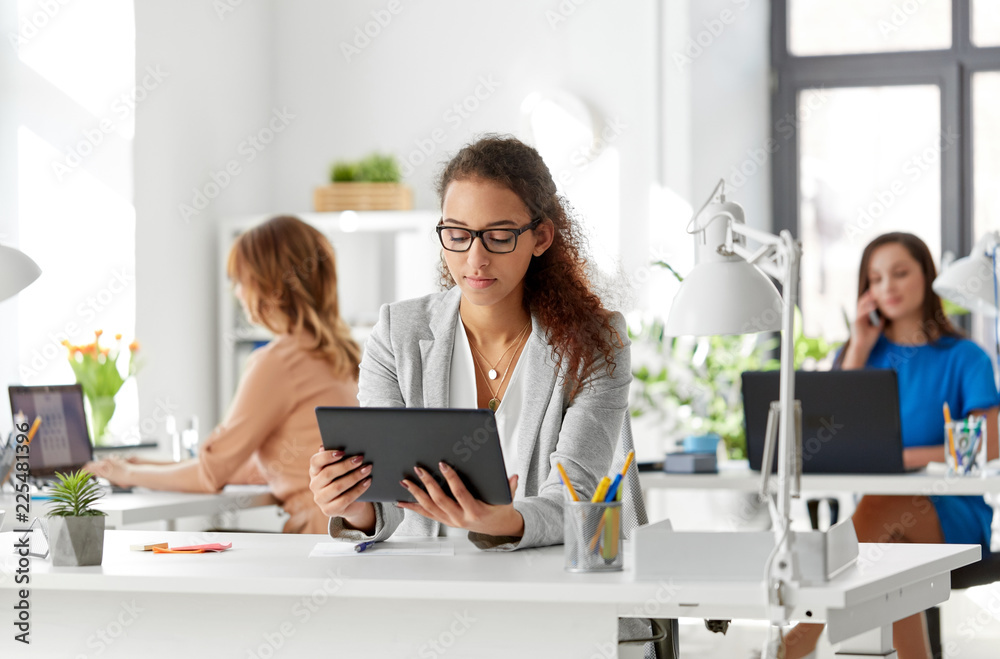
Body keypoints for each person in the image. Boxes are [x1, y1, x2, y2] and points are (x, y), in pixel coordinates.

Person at [308, 134, 631, 550]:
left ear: (541, 237)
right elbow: (385, 496)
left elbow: (579, 496)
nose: (475, 259)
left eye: (498, 236)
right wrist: (351, 501)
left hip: (547, 588)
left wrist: (506, 520)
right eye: (457, 235)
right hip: (426, 589)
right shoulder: (396, 333)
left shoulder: (595, 342)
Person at [785, 232, 1000, 659]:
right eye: (876, 278)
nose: (888, 287)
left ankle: (793, 645)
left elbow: (989, 443)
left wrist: (903, 460)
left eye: (900, 273)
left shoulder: (964, 356)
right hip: (883, 525)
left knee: (881, 507)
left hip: (951, 516)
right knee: (891, 551)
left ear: (927, 276)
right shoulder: (860, 352)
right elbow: (831, 435)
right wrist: (860, 348)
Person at [86, 215, 362, 534]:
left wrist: (128, 476)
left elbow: (211, 474)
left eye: (242, 280)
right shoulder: (339, 354)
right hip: (342, 532)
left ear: (271, 286)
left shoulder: (278, 361)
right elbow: (246, 470)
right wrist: (142, 466)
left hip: (315, 536)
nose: (238, 293)